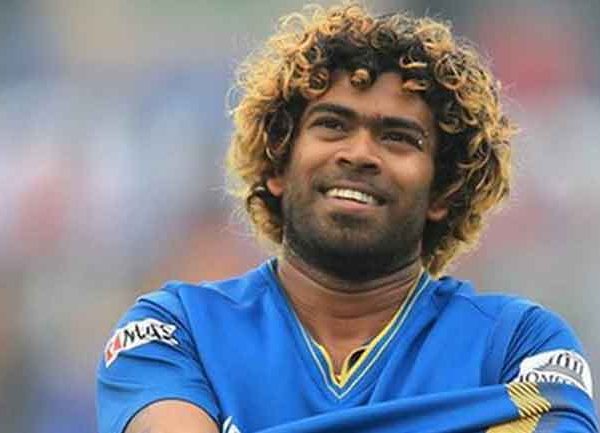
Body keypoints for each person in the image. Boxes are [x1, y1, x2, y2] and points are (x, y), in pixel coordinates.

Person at [97, 3, 598, 433]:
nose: (359, 154)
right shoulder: (176, 329)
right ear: (277, 164)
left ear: (442, 192)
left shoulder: (516, 344)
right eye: (333, 125)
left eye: (397, 137)